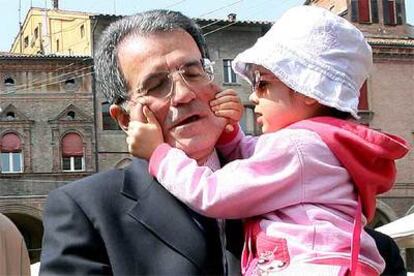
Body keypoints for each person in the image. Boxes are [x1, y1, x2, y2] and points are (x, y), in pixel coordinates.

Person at [126, 6, 410, 276]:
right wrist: (228, 131)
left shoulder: (298, 147)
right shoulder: (319, 144)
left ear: (307, 89)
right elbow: (256, 157)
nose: (252, 96)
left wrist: (160, 154)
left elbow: (214, 193)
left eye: (263, 84)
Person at [39, 10, 243, 275]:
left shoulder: (279, 170)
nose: (183, 94)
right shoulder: (86, 210)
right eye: (157, 85)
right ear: (124, 118)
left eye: (193, 73)